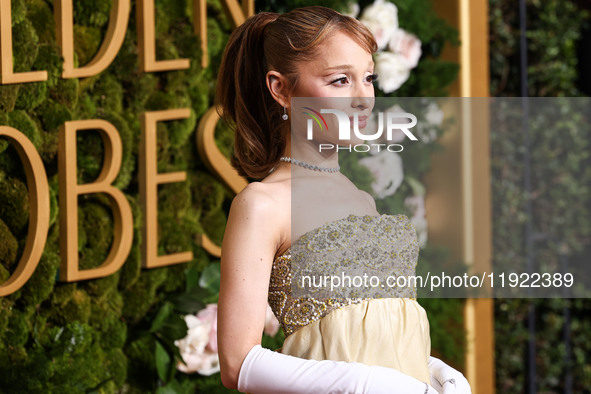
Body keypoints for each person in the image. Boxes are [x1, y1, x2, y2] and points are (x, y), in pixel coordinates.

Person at [215, 5, 471, 394]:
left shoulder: (363, 199)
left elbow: (377, 326)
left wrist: (436, 373)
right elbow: (239, 364)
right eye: (339, 81)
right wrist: (370, 386)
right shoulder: (261, 205)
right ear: (281, 89)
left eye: (368, 78)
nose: (363, 98)